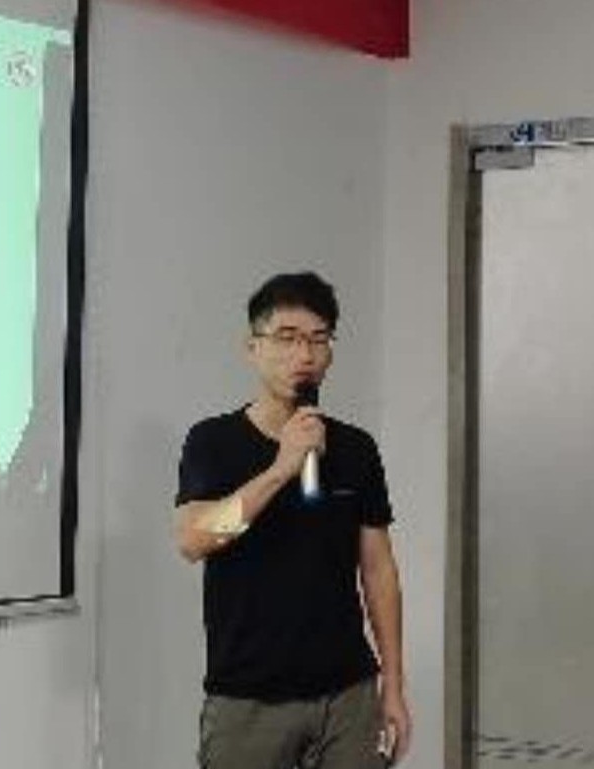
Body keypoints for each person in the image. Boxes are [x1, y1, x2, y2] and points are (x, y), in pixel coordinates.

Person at [173, 272, 412, 769]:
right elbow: (195, 539)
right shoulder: (213, 441)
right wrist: (282, 467)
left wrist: (393, 685)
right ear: (253, 347)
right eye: (287, 338)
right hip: (248, 699)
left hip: (348, 695)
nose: (304, 355)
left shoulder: (356, 448)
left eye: (318, 340)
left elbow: (379, 571)